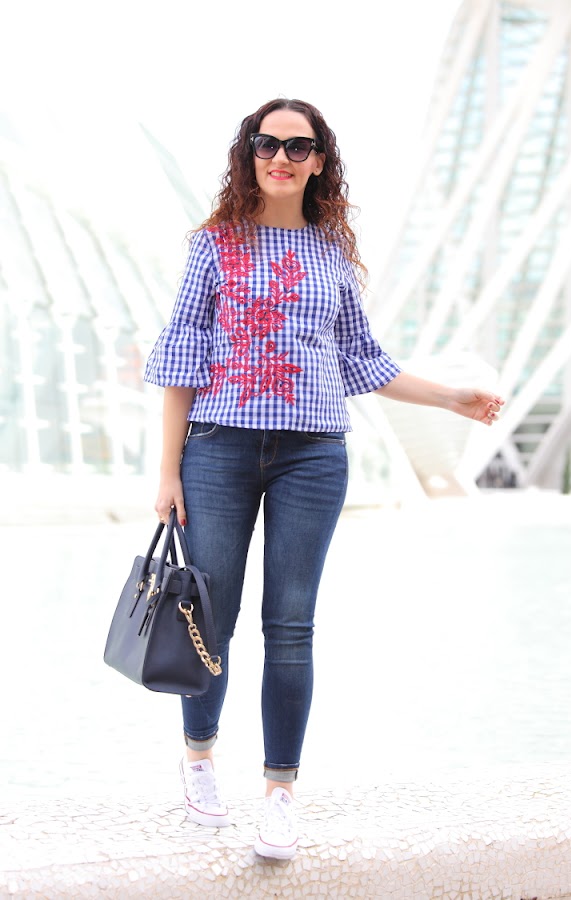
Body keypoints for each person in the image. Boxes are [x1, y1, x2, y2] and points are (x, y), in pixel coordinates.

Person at [144, 97, 504, 860]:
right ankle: (199, 758)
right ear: (247, 155)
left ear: (319, 162)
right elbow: (181, 358)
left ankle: (280, 795)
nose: (281, 157)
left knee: (291, 624)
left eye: (298, 146)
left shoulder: (332, 253)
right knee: (211, 614)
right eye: (266, 143)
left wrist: (452, 397)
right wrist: (167, 470)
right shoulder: (213, 245)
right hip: (217, 450)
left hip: (313, 456)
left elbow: (364, 360)